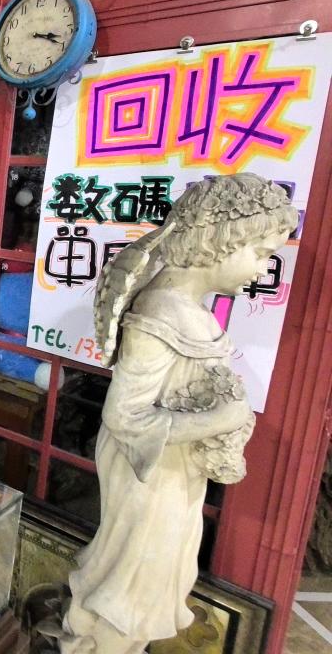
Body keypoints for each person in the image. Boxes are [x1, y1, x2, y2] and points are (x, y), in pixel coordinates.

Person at [60, 173, 297, 654]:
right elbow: (125, 416)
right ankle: (93, 642)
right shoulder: (160, 313)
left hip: (174, 467)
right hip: (147, 470)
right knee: (136, 577)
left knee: (156, 569)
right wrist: (221, 420)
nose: (263, 269)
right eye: (260, 253)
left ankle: (101, 637)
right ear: (220, 238)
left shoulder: (192, 311)